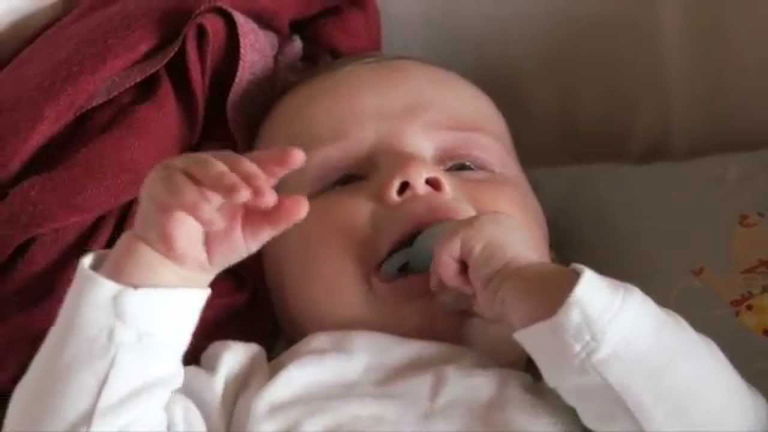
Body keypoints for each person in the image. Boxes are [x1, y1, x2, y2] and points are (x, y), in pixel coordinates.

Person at [4, 56, 767, 431]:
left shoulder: (596, 392)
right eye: (343, 180)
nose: (415, 179)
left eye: (464, 166)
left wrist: (548, 295)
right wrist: (160, 268)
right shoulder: (234, 388)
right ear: (266, 267)